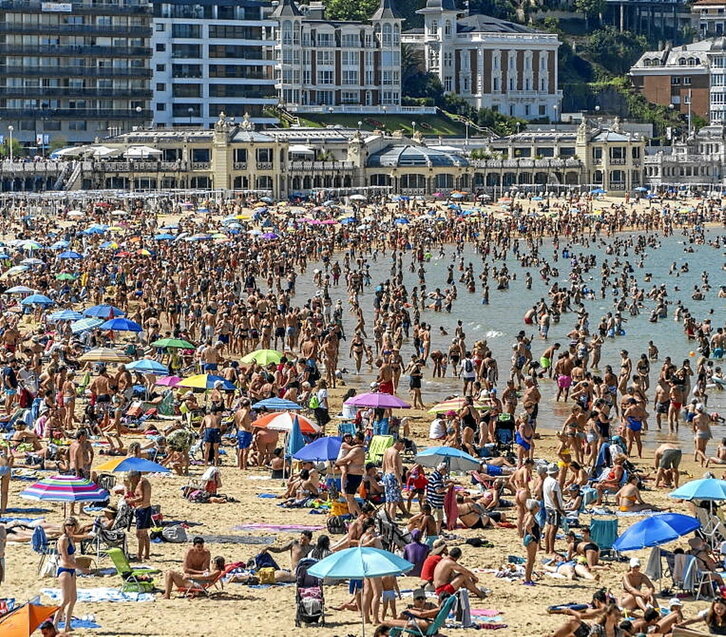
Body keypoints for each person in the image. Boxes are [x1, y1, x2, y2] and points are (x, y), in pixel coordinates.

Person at [54, 517, 88, 631]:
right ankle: (54, 624)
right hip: (64, 570)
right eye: (68, 525)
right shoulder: (63, 539)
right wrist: (82, 568)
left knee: (73, 598)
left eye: (72, 525)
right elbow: (66, 559)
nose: (70, 527)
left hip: (71, 570)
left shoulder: (70, 538)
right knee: (64, 600)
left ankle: (67, 625)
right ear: (64, 526)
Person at [126, 470, 152, 561]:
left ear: (134, 477)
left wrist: (131, 501)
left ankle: (139, 555)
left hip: (142, 509)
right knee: (144, 534)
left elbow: (141, 497)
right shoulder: (145, 481)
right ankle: (147, 554)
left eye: (131, 479)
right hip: (147, 508)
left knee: (139, 534)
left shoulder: (140, 483)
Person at [543, 464, 564, 555]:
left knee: (548, 527)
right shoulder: (554, 482)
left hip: (548, 506)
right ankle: (551, 549)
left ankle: (547, 548)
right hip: (554, 507)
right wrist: (559, 509)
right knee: (553, 529)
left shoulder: (546, 480)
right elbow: (554, 496)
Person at [381, 439, 404, 520]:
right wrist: (400, 481)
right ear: (397, 444)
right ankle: (392, 519)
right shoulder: (395, 452)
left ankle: (386, 519)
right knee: (394, 501)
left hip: (386, 475)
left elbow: (383, 464)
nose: (401, 448)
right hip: (393, 476)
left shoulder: (387, 450)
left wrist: (383, 476)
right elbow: (395, 467)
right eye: (401, 445)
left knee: (388, 500)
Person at [522, 500, 540, 586]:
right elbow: (527, 525)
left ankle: (528, 578)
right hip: (531, 540)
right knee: (530, 560)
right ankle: (527, 579)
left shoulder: (527, 514)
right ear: (535, 507)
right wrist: (532, 534)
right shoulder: (531, 516)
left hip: (529, 539)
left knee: (531, 560)